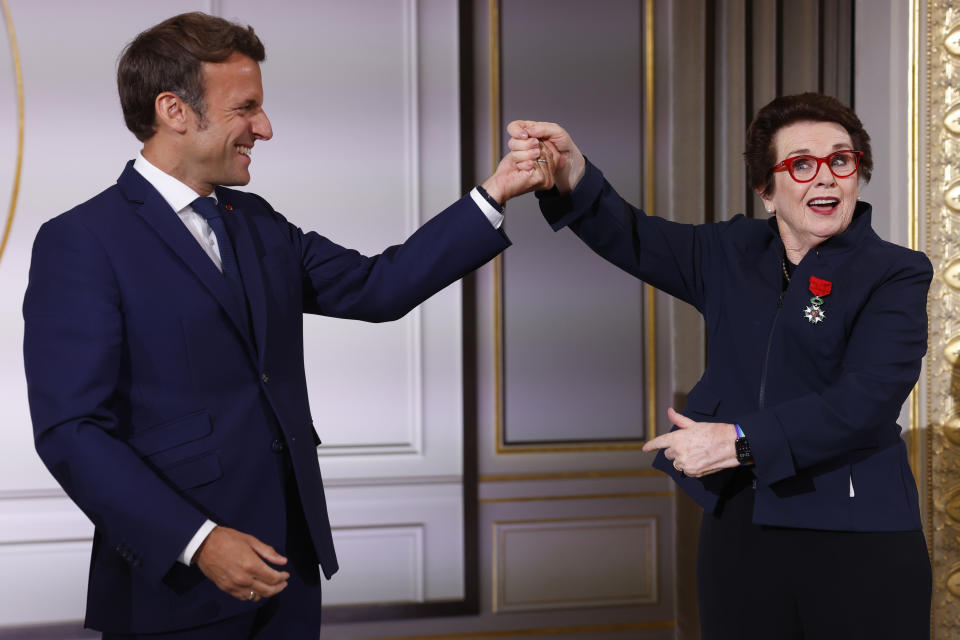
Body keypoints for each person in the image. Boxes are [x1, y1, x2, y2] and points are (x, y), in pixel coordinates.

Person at [22, 12, 553, 639]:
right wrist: (198, 541)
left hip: (288, 571)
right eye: (246, 109)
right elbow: (72, 432)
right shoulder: (80, 242)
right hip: (174, 589)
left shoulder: (258, 223)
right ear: (174, 110)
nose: (264, 129)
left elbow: (379, 287)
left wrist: (495, 192)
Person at [507, 93, 932, 639]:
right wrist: (570, 174)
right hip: (740, 527)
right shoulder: (729, 250)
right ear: (766, 189)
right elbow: (633, 237)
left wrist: (738, 441)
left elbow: (868, 399)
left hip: (858, 533)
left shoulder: (896, 271)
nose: (825, 178)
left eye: (841, 160)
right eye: (801, 164)